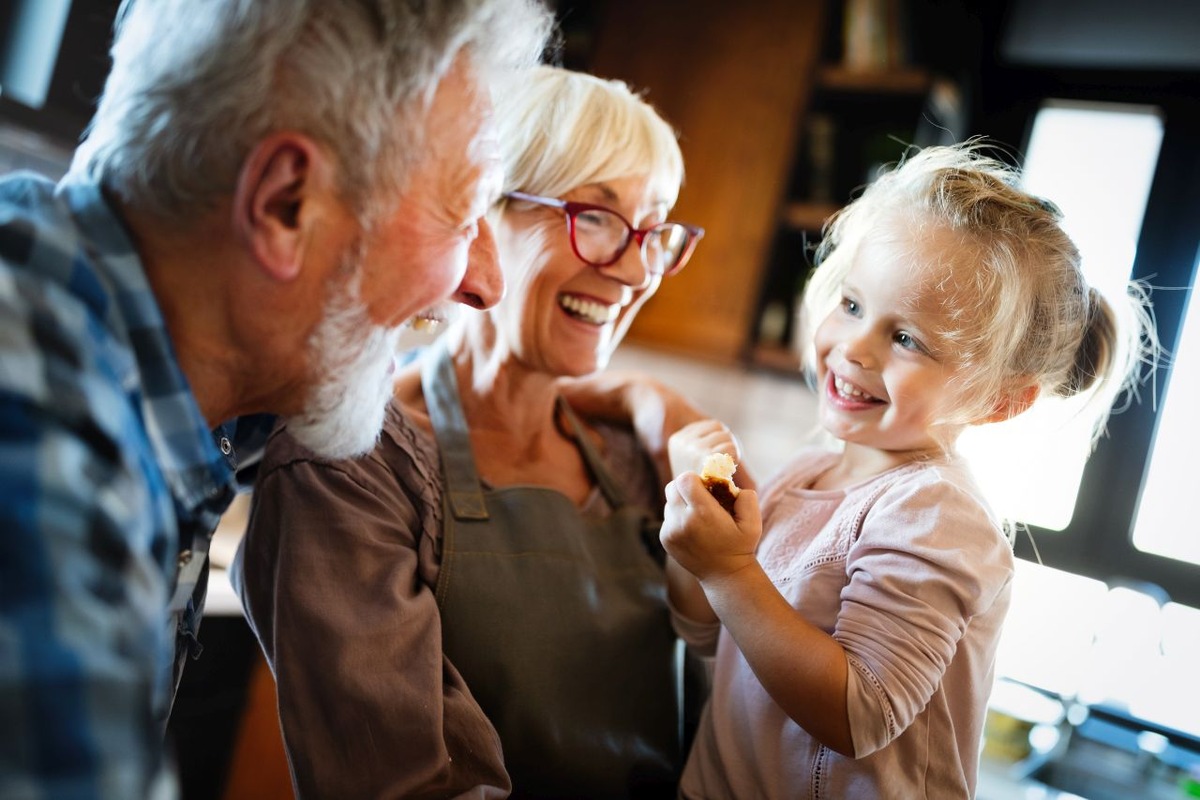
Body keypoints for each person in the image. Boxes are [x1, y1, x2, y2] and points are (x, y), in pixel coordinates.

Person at [0, 0, 552, 796]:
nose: (486, 284)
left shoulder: (189, 395)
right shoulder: (38, 453)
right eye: (464, 215)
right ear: (287, 205)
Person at [233, 64, 707, 799]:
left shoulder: (645, 462)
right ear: (482, 210)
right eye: (599, 218)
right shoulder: (351, 461)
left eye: (654, 230)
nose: (637, 270)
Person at [659, 141, 1153, 798]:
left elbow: (861, 714)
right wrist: (693, 533)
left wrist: (729, 570)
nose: (854, 347)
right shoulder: (805, 475)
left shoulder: (936, 513)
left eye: (907, 339)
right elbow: (702, 629)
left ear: (1000, 400)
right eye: (854, 305)